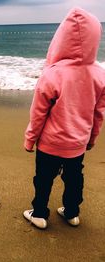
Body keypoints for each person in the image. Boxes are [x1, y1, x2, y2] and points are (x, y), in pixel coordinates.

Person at [23, 7, 105, 229]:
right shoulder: (100, 74)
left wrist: (30, 139)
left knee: (43, 180)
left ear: (61, 39)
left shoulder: (52, 74)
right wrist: (92, 139)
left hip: (50, 144)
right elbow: (99, 113)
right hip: (78, 143)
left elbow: (38, 113)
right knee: (74, 179)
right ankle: (71, 213)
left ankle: (39, 213)